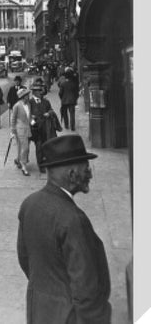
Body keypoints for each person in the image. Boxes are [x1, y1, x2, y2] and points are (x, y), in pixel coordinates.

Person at [17, 134, 111, 324]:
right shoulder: (73, 219)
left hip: (39, 312)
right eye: (86, 168)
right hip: (70, 317)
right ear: (72, 174)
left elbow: (25, 258)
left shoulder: (29, 204)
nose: (90, 174)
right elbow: (86, 289)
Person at [29, 81, 61, 173]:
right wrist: (32, 120)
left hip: (46, 128)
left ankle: (47, 161)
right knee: (39, 147)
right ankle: (41, 165)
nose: (40, 92)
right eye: (38, 91)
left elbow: (51, 110)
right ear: (34, 92)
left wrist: (49, 113)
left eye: (40, 90)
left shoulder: (46, 101)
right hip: (36, 129)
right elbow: (27, 115)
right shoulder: (30, 102)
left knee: (46, 145)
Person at [10, 88, 32, 176]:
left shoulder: (29, 104)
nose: (28, 96)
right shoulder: (17, 106)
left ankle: (18, 159)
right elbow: (13, 118)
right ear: (23, 96)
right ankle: (24, 167)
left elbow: (28, 117)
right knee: (25, 148)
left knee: (21, 147)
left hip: (28, 129)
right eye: (27, 95)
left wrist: (32, 122)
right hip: (19, 129)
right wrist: (12, 130)